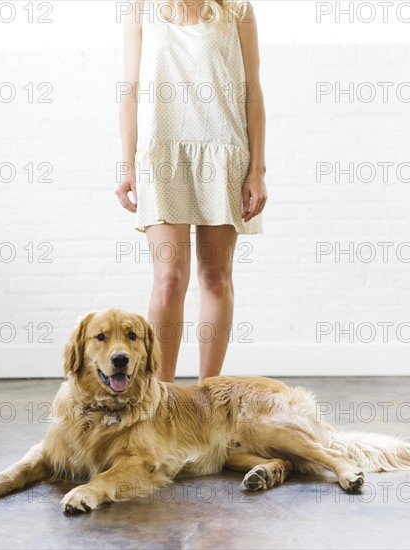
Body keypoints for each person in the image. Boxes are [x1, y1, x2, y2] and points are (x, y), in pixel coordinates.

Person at [116, 0, 267, 383]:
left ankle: (207, 396)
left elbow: (253, 91)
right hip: (162, 153)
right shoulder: (141, 10)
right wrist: (128, 164)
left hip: (223, 153)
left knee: (215, 277)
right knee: (169, 278)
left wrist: (257, 170)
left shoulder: (238, 11)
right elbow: (130, 91)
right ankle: (160, 398)